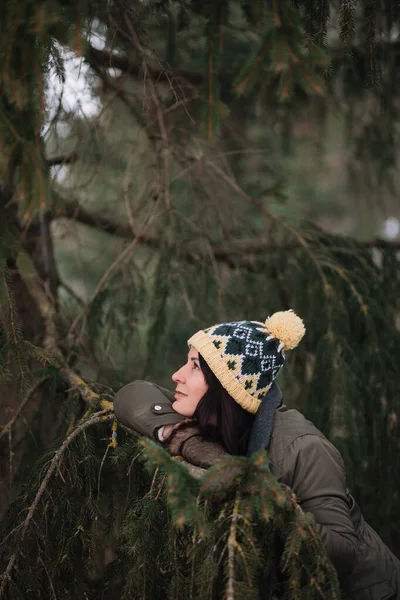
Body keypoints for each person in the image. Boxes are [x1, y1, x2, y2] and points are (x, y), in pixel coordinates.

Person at [114, 310, 400, 600]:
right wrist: (190, 441)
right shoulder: (210, 416)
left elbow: (343, 554)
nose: (177, 375)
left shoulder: (303, 447)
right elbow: (133, 394)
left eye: (195, 367)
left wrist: (262, 497)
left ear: (228, 387)